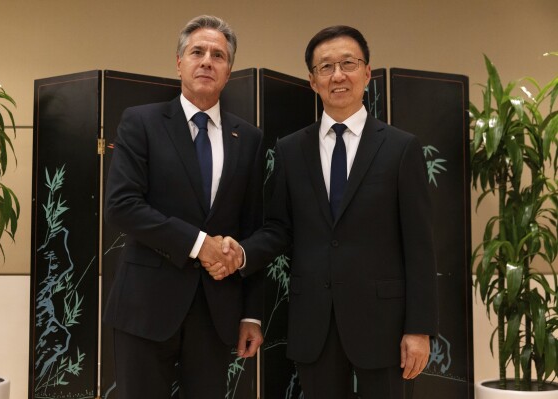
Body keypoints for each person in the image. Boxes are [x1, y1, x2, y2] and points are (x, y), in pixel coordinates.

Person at [213, 25, 438, 399]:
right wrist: (242, 253)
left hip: (383, 325)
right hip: (313, 323)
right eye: (325, 67)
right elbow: (279, 229)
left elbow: (420, 244)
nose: (337, 75)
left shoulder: (401, 149)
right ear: (312, 82)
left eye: (348, 63)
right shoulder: (289, 150)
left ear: (367, 73)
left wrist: (419, 328)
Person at [103, 15, 264, 399]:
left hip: (216, 313)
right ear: (179, 63)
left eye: (219, 55)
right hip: (145, 307)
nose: (207, 61)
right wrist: (199, 244)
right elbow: (122, 205)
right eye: (197, 52)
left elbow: (255, 228)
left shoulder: (250, 138)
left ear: (229, 72)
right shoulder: (140, 122)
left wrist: (251, 314)